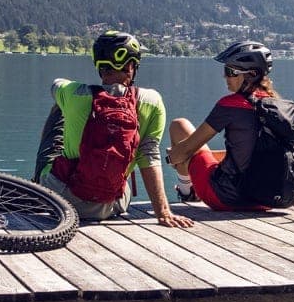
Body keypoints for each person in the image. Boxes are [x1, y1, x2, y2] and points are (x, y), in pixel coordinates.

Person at [33, 31, 193, 228]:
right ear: (132, 65)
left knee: (59, 108)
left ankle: (37, 186)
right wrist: (163, 212)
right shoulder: (152, 101)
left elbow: (55, 85)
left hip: (61, 198)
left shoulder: (75, 93)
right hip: (112, 205)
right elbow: (149, 156)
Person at [167, 40, 294, 211]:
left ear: (249, 74)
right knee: (204, 152)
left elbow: (186, 150)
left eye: (230, 71)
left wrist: (172, 158)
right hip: (266, 200)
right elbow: (258, 154)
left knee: (179, 126)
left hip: (226, 197)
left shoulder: (230, 105)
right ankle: (189, 188)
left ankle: (187, 192)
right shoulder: (281, 108)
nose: (225, 76)